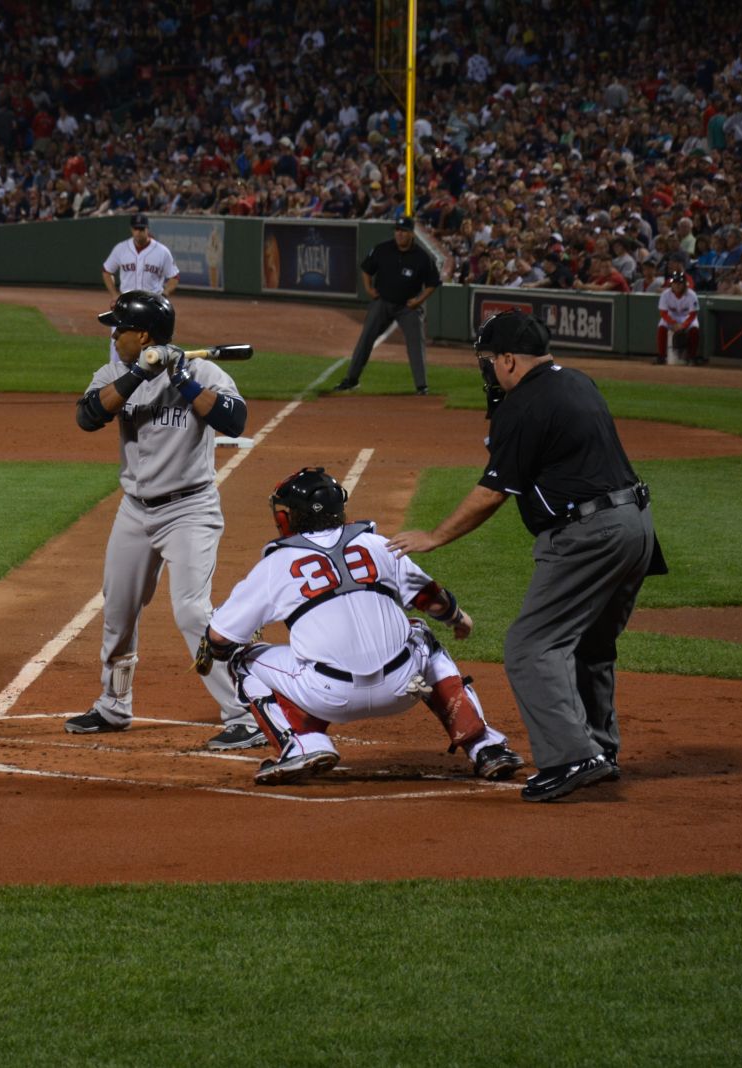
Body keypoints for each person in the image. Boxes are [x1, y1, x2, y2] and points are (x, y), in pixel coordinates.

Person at [389, 312, 666, 803]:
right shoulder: (578, 382)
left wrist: (434, 536)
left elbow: (493, 492)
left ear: (510, 359)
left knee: (529, 647)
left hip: (590, 534)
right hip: (636, 527)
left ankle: (571, 757)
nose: (490, 370)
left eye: (492, 361)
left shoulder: (525, 405)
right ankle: (598, 750)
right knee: (590, 645)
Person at [196, 467, 526, 786]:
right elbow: (432, 600)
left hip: (326, 696)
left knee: (245, 661)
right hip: (402, 687)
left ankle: (303, 744)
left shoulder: (275, 565)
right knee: (421, 634)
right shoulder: (377, 545)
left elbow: (221, 638)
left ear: (291, 516)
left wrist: (220, 648)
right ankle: (484, 746)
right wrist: (458, 619)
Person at [66, 290, 262, 751]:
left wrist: (183, 378)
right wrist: (140, 374)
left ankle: (245, 715)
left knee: (192, 610)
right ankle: (114, 706)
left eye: (120, 328)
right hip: (135, 509)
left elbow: (235, 421)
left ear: (144, 334)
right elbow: (88, 416)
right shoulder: (115, 372)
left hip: (189, 509)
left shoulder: (205, 371)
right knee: (117, 610)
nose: (113, 335)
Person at [333, 214, 440, 395]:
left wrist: (419, 300)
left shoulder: (422, 257)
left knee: (415, 344)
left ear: (411, 234)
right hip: (383, 302)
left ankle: (421, 386)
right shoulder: (383, 249)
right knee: (366, 339)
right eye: (397, 230)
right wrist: (369, 289)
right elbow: (366, 269)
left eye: (403, 231)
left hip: (408, 307)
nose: (399, 234)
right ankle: (351, 380)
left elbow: (433, 283)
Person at [101, 212, 178, 356]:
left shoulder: (162, 251)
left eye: (142, 229)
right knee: (117, 352)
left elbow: (174, 276)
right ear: (131, 229)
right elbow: (107, 271)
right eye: (136, 229)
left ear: (147, 229)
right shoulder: (121, 248)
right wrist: (114, 295)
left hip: (151, 308)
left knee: (151, 354)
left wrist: (165, 294)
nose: (138, 232)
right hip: (125, 306)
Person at [656, 271, 701, 364]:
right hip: (671, 316)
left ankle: (692, 357)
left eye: (680, 283)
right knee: (661, 327)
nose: (677, 285)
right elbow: (663, 313)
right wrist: (673, 323)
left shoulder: (692, 295)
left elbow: (693, 314)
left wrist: (684, 325)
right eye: (675, 283)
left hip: (687, 316)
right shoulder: (665, 294)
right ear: (671, 284)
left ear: (684, 284)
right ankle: (661, 356)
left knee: (694, 329)